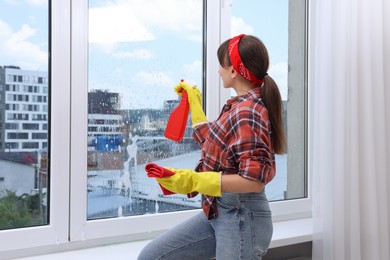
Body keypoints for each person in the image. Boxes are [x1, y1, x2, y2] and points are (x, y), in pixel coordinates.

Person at [138, 34, 286, 260]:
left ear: (234, 70)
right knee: (152, 256)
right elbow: (214, 144)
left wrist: (195, 180)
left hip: (241, 218)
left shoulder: (248, 111)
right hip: (219, 212)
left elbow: (254, 181)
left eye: (222, 65)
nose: (219, 71)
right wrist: (194, 104)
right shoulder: (238, 106)